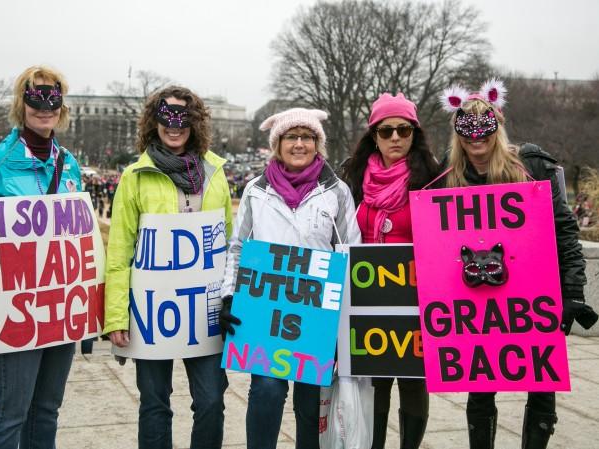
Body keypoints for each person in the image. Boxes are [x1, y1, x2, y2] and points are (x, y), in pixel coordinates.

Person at [437, 79, 598, 449]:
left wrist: (572, 292)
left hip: (533, 291)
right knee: (481, 384)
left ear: (497, 126)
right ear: (458, 136)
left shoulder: (531, 166)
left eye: (484, 130)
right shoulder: (448, 176)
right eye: (467, 133)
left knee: (541, 379)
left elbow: (564, 233)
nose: (476, 140)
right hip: (475, 295)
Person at [219, 108, 361, 449]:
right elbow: (238, 247)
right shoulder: (256, 190)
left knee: (311, 404)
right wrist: (229, 295)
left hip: (317, 314)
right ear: (277, 144)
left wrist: (346, 321)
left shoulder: (337, 191)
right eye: (291, 137)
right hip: (267, 313)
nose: (300, 144)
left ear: (318, 143)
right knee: (266, 391)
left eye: (308, 137)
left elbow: (351, 251)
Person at [104, 85, 233, 449]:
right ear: (153, 122)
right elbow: (120, 251)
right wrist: (116, 316)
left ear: (195, 124)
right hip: (151, 311)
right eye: (166, 118)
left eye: (183, 119)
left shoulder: (215, 172)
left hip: (204, 310)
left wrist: (230, 297)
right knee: (155, 404)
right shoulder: (134, 176)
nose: (174, 127)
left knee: (211, 401)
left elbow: (229, 240)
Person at [0, 65, 83, 448]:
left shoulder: (71, 166)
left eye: (53, 97)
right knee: (9, 414)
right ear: (21, 103)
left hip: (58, 306)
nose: (45, 107)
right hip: (10, 308)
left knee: (46, 410)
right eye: (36, 97)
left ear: (62, 106)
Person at [341, 93, 439, 449]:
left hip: (415, 298)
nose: (395, 137)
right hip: (366, 296)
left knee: (413, 381)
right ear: (374, 135)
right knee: (375, 382)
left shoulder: (432, 176)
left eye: (403, 129)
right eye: (386, 131)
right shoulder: (352, 177)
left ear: (414, 133)